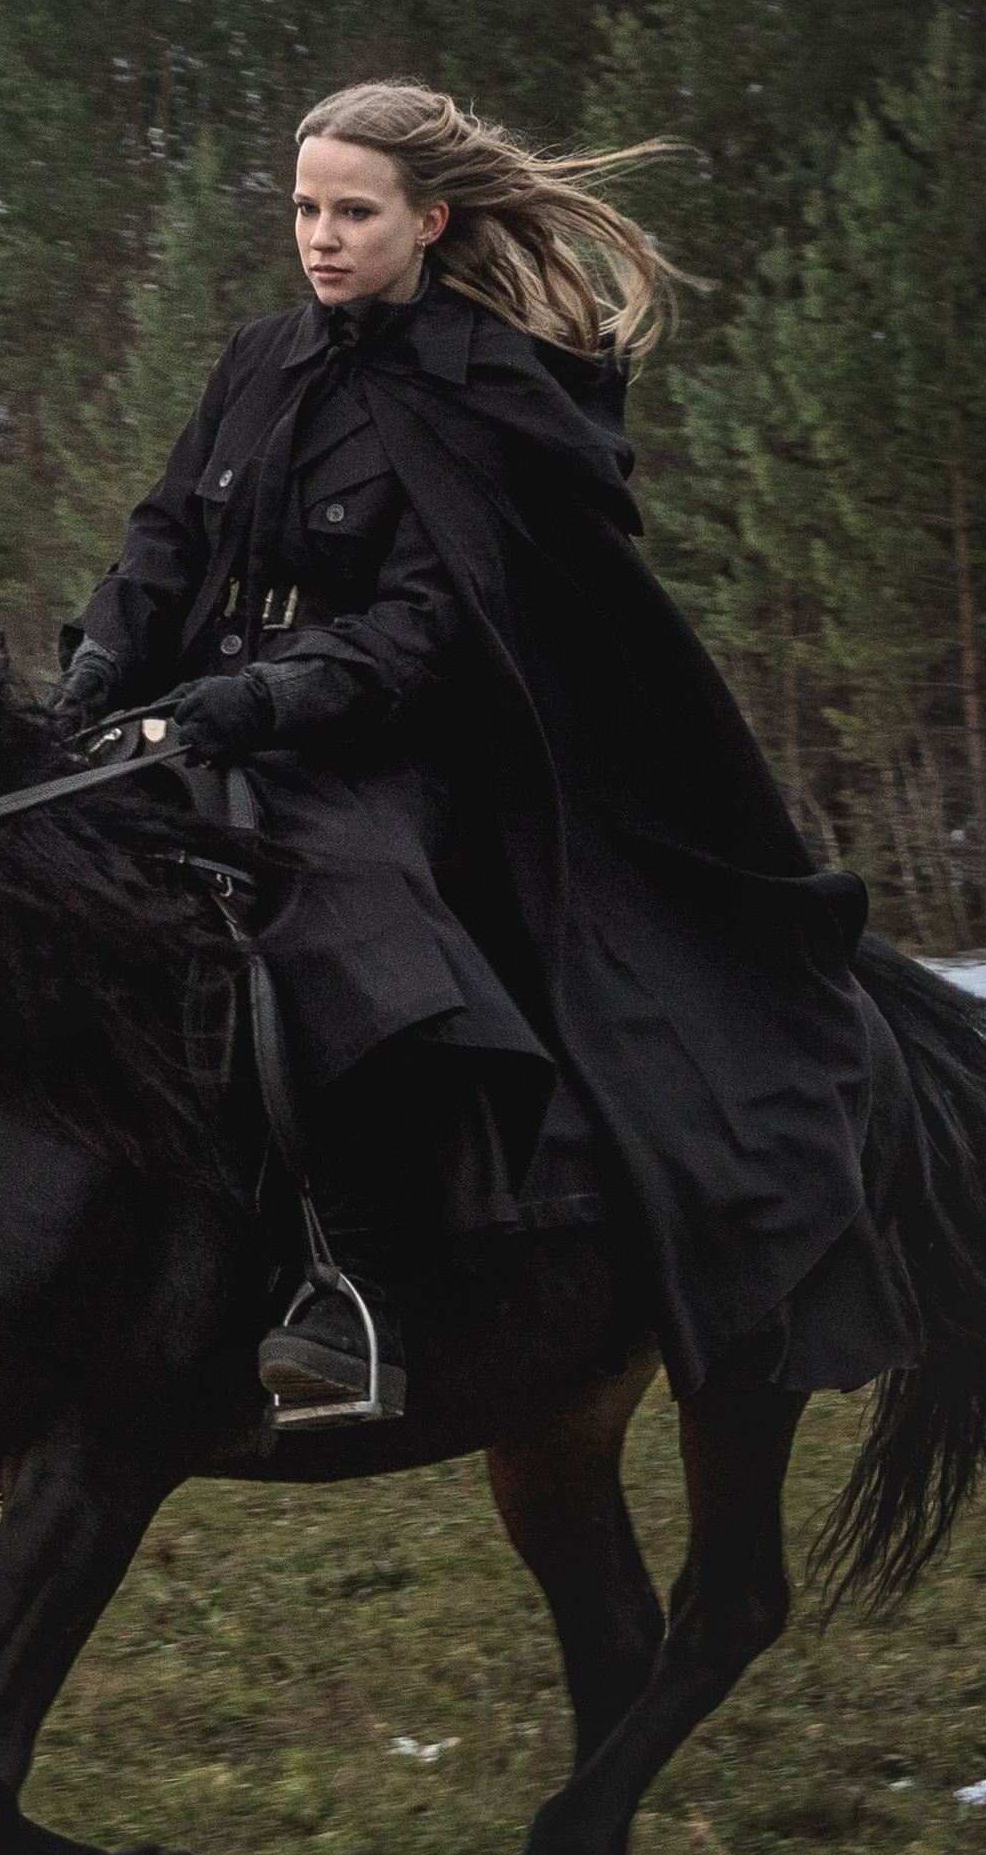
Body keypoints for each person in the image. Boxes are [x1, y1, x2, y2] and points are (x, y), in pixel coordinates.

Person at [52, 79, 916, 1424]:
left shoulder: (494, 392)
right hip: (205, 710)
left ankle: (366, 1290)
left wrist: (253, 707)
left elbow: (422, 632)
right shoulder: (257, 359)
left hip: (392, 749)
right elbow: (164, 537)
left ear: (430, 216)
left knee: (339, 918)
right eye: (303, 209)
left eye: (353, 211)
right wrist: (105, 665)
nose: (320, 237)